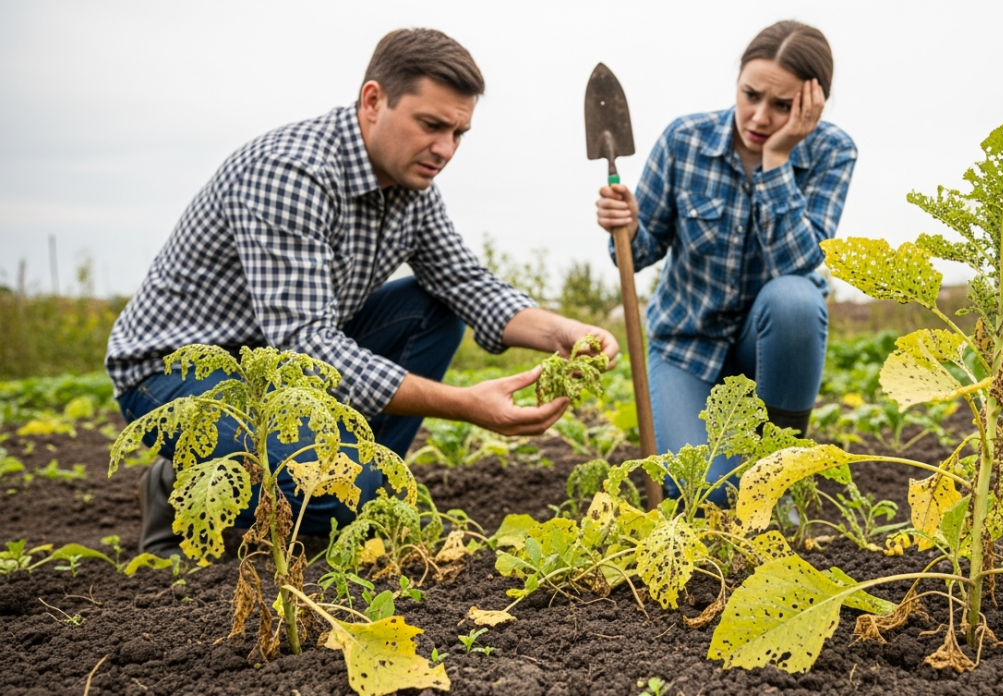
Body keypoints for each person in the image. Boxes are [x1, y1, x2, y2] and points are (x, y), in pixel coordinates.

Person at [108, 28, 618, 556]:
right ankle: (183, 482)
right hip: (175, 373)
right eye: (431, 125)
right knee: (344, 494)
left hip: (278, 366)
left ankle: (348, 482)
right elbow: (306, 343)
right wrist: (465, 405)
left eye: (459, 133)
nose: (444, 149)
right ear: (373, 101)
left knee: (434, 310)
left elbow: (465, 282)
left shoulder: (410, 183)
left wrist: (562, 330)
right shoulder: (292, 172)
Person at [594, 21, 855, 504]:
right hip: (686, 348)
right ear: (737, 82)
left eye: (782, 106)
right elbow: (636, 252)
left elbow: (798, 263)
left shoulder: (832, 152)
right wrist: (626, 226)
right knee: (710, 494)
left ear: (812, 105)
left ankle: (781, 475)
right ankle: (739, 476)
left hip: (764, 348)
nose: (758, 117)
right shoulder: (685, 140)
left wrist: (778, 160)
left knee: (796, 300)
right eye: (750, 94)